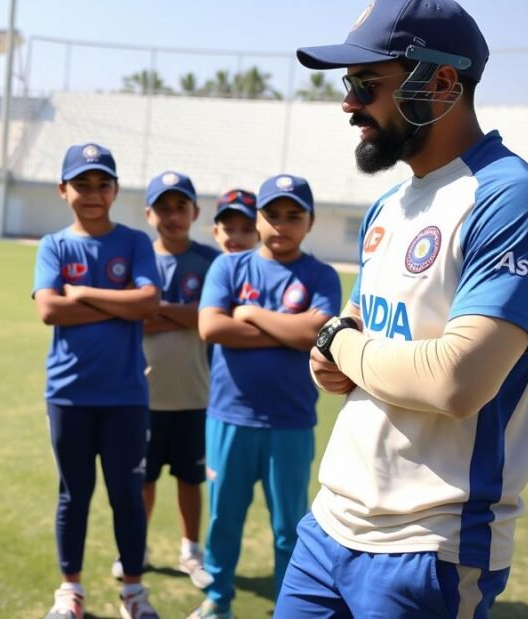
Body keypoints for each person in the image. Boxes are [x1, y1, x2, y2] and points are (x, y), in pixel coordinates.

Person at [276, 0, 528, 618]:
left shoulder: (515, 201)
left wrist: (341, 345)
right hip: (329, 522)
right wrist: (331, 360)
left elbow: (456, 381)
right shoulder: (389, 207)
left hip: (431, 545)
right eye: (349, 83)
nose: (349, 102)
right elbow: (357, 332)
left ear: (441, 82)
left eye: (367, 83)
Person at [191, 174, 341, 619]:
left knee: (287, 527)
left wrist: (253, 314)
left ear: (310, 222)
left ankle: (289, 606)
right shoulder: (229, 267)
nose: (282, 224)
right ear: (258, 219)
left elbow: (316, 334)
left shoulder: (320, 274)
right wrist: (287, 331)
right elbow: (212, 328)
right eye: (272, 215)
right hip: (229, 417)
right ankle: (218, 601)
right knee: (223, 522)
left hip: (290, 422)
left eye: (294, 215)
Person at [33, 143, 162, 619]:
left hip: (126, 394)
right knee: (74, 493)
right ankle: (70, 591)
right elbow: (48, 309)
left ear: (115, 189)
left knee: (126, 493)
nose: (92, 193)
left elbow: (148, 303)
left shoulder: (133, 242)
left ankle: (133, 591)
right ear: (63, 190)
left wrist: (83, 292)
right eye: (81, 184)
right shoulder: (54, 245)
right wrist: (118, 299)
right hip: (68, 393)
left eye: (101, 183)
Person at [114, 170, 218, 589]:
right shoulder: (140, 259)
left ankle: (191, 551)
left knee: (191, 481)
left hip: (196, 393)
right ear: (148, 213)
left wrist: (159, 311)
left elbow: (209, 318)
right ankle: (135, 549)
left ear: (194, 212)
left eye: (180, 207)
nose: (172, 216)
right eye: (163, 207)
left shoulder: (211, 261)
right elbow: (130, 319)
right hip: (142, 396)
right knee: (143, 480)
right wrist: (183, 314)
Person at [211, 189, 260, 254]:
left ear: (260, 235)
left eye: (247, 230)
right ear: (216, 233)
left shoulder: (270, 263)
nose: (236, 237)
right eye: (229, 229)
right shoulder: (204, 262)